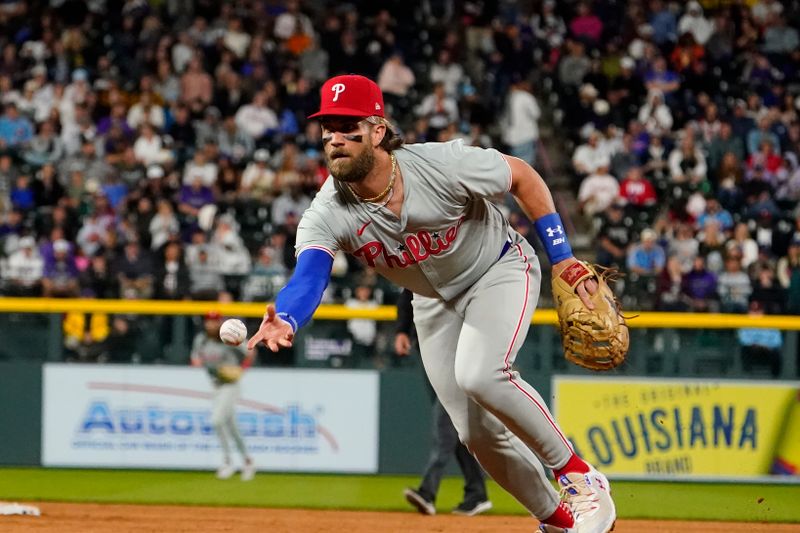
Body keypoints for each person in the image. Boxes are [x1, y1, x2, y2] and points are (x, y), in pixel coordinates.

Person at [248, 74, 616, 532]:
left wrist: (562, 256)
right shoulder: (329, 210)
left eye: (348, 127)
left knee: (481, 373)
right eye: (327, 128)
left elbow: (522, 175)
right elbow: (310, 273)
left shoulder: (440, 163)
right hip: (433, 303)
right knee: (477, 435)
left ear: (378, 130)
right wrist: (286, 316)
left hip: (497, 268)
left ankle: (580, 478)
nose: (334, 138)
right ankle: (559, 521)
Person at [396, 289, 491, 517]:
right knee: (456, 425)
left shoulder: (459, 265)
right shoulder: (420, 262)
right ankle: (476, 493)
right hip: (427, 349)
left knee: (444, 426)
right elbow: (406, 294)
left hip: (457, 353)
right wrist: (401, 330)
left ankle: (427, 492)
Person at [191, 311, 256, 481]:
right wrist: (197, 362)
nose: (211, 324)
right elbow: (195, 358)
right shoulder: (201, 340)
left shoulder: (229, 335)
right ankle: (248, 461)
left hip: (230, 385)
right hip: (216, 385)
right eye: (209, 321)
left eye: (215, 321)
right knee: (232, 428)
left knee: (216, 420)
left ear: (220, 322)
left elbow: (250, 351)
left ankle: (227, 461)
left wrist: (242, 370)